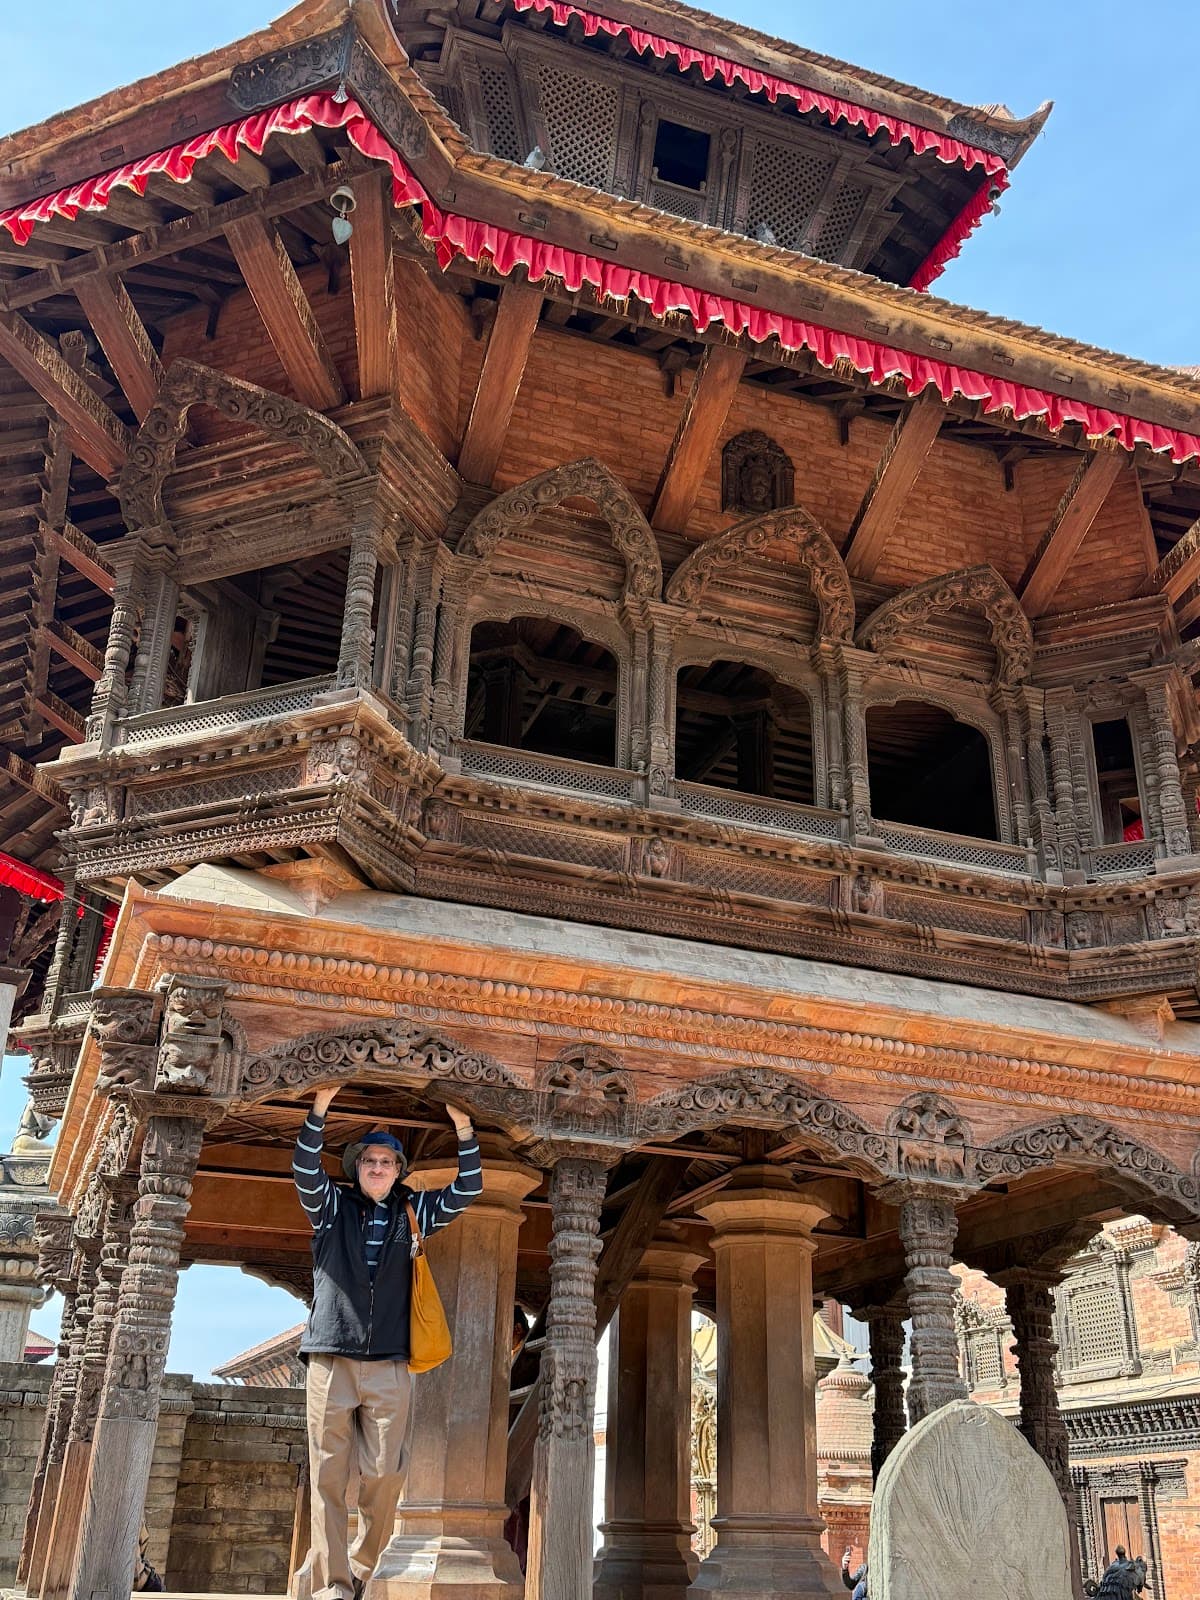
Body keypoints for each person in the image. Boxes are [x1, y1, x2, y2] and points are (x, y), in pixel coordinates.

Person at [292, 1083, 482, 1600]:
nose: (378, 1168)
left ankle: (357, 1568)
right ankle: (333, 1585)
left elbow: (468, 1188)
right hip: (330, 1356)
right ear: (357, 1167)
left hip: (391, 1362)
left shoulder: (414, 1212)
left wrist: (464, 1129)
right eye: (370, 1161)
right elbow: (305, 1170)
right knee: (328, 1475)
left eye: (387, 1162)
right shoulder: (332, 1208)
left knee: (385, 1473)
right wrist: (320, 1110)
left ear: (399, 1169)